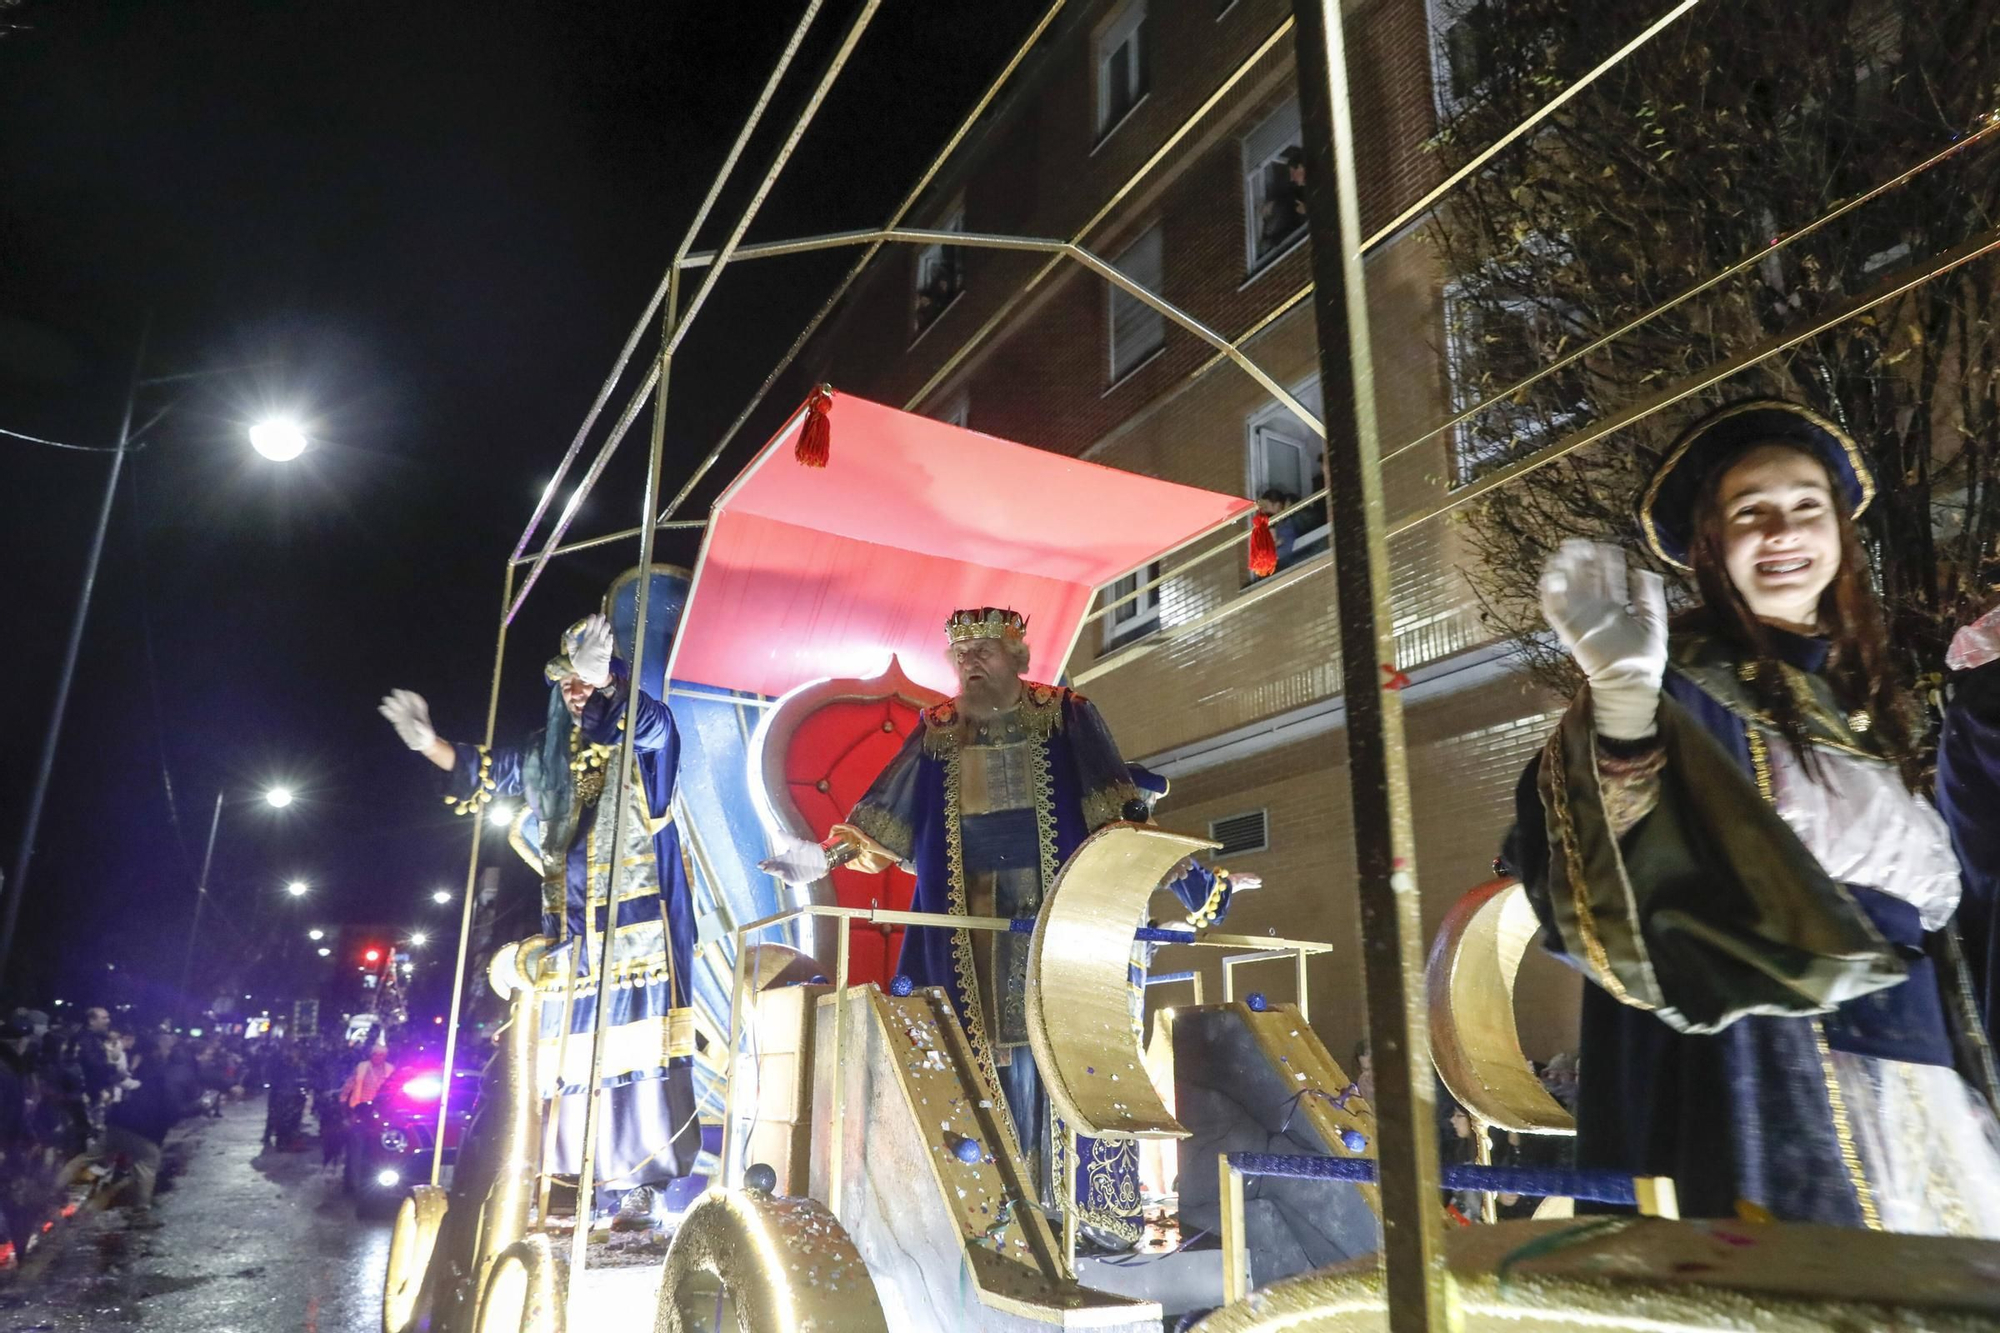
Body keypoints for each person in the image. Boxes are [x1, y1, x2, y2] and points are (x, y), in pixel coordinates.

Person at [1504, 397, 2000, 1233]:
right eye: (1750, 512)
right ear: (1710, 544)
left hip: (1929, 1093)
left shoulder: (1870, 710)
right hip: (1772, 1088)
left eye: (1807, 507)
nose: (1783, 531)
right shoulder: (1682, 685)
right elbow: (1604, 876)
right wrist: (1624, 703)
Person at [762, 607, 1229, 1247]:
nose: (971, 662)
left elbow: (1115, 807)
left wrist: (1177, 868)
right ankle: (985, 1215)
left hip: (1053, 920)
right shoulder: (937, 730)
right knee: (974, 1058)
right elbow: (880, 816)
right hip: (963, 923)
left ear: (1018, 654)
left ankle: (1078, 1216)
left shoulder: (1065, 714)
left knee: (1059, 1059)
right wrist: (824, 856)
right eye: (961, 653)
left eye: (984, 648)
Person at [379, 611, 699, 1224]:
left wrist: (608, 682)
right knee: (574, 1061)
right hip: (571, 936)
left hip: (640, 936)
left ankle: (643, 1187)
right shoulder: (545, 755)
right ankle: (579, 1181)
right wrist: (431, 745)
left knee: (638, 1059)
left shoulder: (642, 740)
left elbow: (652, 723)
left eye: (586, 681)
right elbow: (489, 770)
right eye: (568, 682)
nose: (576, 692)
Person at [341, 1043, 395, 1109]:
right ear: (371, 1055)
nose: (377, 1057)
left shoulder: (390, 1069)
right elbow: (349, 1084)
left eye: (381, 1055)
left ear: (385, 1057)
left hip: (380, 1106)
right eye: (375, 1054)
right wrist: (343, 1099)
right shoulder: (361, 1067)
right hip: (360, 1104)